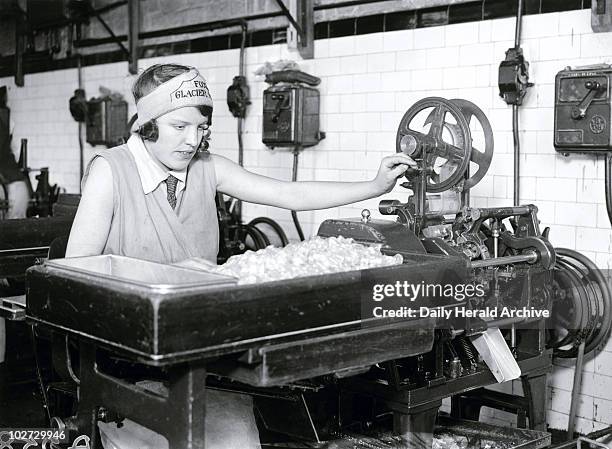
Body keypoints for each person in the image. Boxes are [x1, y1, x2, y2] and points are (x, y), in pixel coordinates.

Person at [65, 63, 416, 449]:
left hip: (201, 354)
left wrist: (373, 185)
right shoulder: (110, 171)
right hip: (128, 363)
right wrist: (163, 274)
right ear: (147, 124)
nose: (191, 140)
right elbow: (73, 275)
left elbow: (288, 194)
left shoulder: (207, 168)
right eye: (178, 127)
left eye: (200, 128)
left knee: (238, 440)